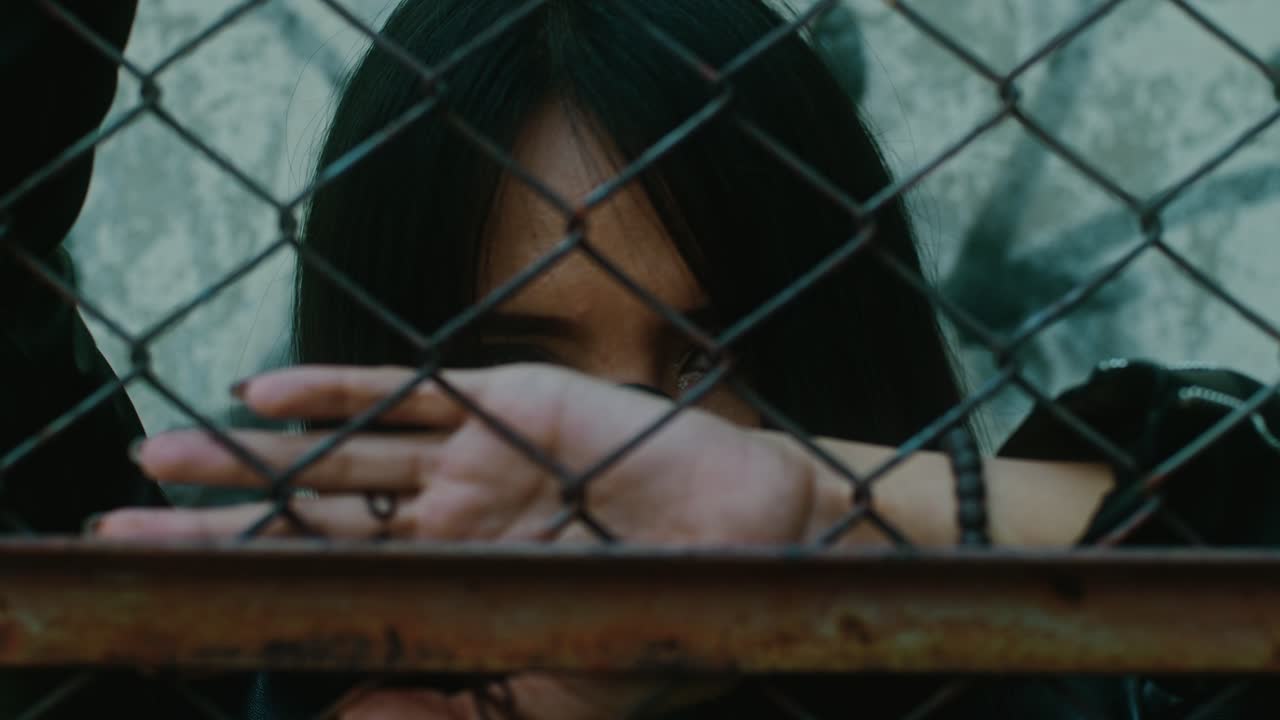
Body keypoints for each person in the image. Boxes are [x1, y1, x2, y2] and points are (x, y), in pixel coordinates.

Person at [3, 0, 1278, 718]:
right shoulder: (173, 674)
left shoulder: (1052, 688)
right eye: (509, 374)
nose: (618, 464)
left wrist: (806, 510)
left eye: (703, 360)